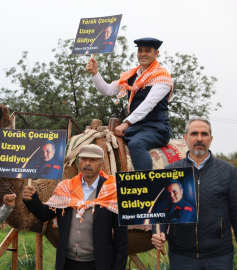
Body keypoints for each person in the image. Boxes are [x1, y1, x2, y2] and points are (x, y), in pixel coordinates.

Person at [23, 144, 128, 270]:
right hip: (67, 263)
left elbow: (121, 239)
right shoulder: (66, 189)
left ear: (102, 164)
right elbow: (45, 214)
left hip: (99, 264)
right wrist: (32, 198)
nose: (87, 163)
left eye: (93, 160)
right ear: (79, 162)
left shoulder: (112, 191)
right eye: (83, 159)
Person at [152, 117, 237, 269]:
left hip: (219, 256)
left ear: (210, 139)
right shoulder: (171, 171)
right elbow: (162, 210)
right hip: (182, 256)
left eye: (204, 134)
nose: (199, 138)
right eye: (194, 134)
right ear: (185, 139)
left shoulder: (227, 171)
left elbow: (235, 212)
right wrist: (159, 232)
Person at [86, 37, 173, 171]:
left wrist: (126, 123)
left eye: (148, 51)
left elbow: (148, 103)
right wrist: (95, 73)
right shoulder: (131, 76)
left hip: (156, 128)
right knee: (109, 141)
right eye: (140, 50)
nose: (143, 54)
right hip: (135, 128)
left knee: (136, 144)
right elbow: (108, 90)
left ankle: (144, 185)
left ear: (156, 53)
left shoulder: (162, 77)